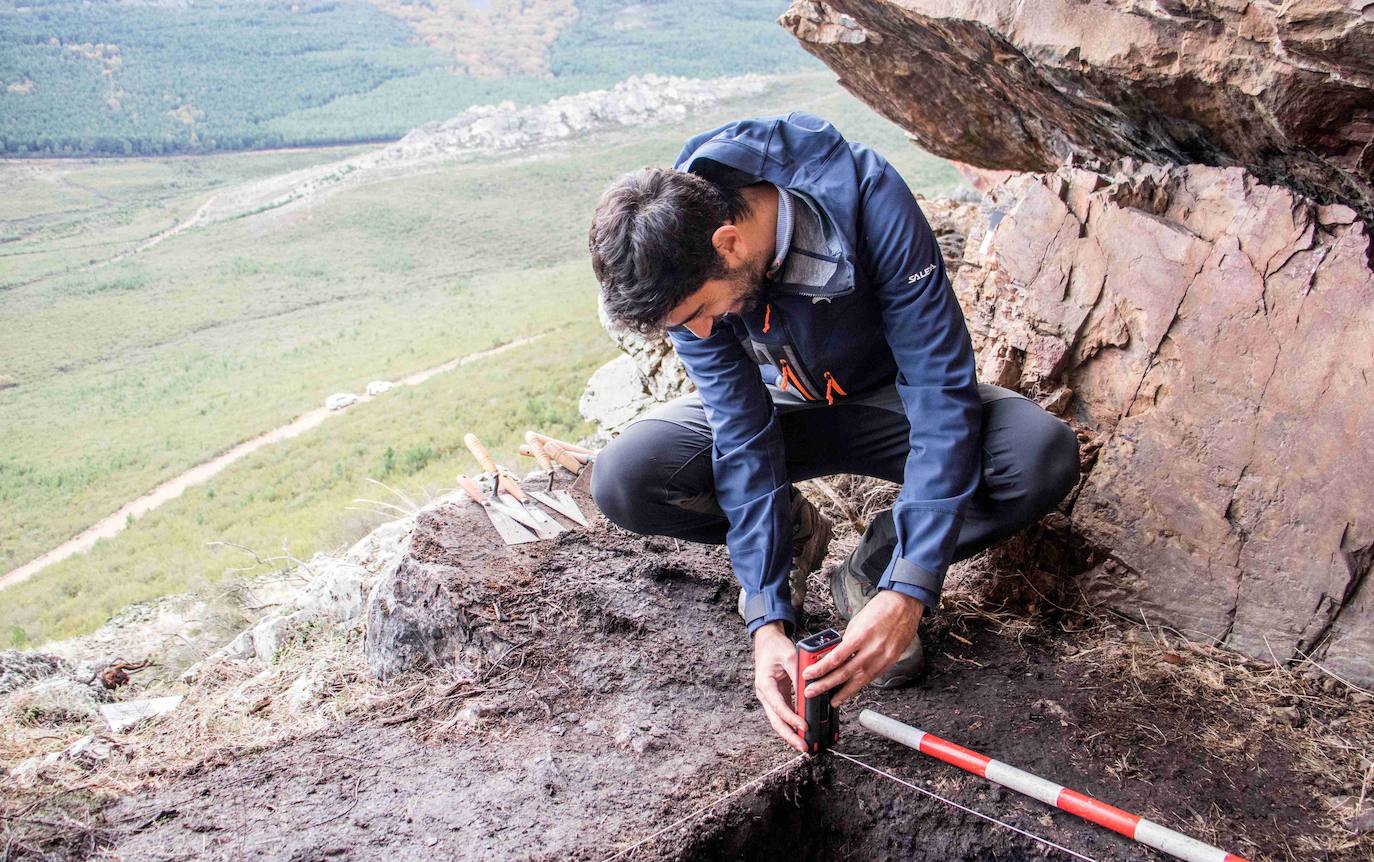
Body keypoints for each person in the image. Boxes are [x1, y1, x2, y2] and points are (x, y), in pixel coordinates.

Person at [586, 112, 1079, 753]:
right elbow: (742, 433)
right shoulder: (681, 259)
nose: (701, 333)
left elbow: (939, 396)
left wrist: (910, 584)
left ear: (730, 244)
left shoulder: (868, 199)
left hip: (890, 400)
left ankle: (870, 570)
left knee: (1037, 455)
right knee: (628, 477)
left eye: (700, 313)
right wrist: (766, 616)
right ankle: (795, 536)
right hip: (783, 408)